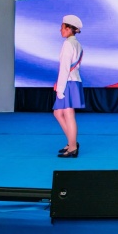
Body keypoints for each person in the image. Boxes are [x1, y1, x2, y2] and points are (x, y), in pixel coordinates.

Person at [54, 15, 85, 158]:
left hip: (68, 82)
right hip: (73, 81)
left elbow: (65, 68)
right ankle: (72, 142)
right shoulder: (77, 44)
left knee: (68, 115)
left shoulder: (67, 44)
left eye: (62, 27)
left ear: (68, 29)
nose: (60, 30)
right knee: (58, 113)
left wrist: (60, 88)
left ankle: (72, 147)